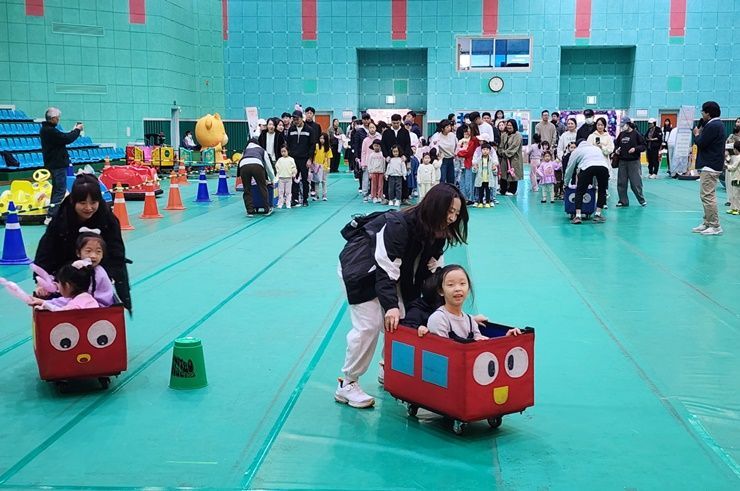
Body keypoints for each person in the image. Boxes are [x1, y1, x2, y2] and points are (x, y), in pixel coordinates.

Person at [334, 183, 469, 408]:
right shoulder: (399, 225)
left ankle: (389, 369)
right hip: (361, 269)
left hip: (393, 272)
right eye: (450, 212)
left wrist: (449, 313)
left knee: (405, 319)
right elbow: (385, 269)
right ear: (435, 207)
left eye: (456, 213)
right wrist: (391, 306)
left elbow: (428, 277)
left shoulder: (437, 234)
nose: (453, 218)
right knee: (370, 324)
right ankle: (347, 383)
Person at [34, 174, 132, 312]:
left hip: (96, 276)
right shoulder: (61, 220)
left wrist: (122, 291)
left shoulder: (108, 220)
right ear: (73, 201)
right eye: (83, 203)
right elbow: (46, 251)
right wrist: (42, 281)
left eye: (93, 203)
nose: (88, 208)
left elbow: (116, 254)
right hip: (65, 277)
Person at [417, 265, 521, 340]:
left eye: (462, 283)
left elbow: (481, 346)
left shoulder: (471, 321)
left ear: (469, 289)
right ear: (441, 291)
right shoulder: (438, 319)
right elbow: (443, 352)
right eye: (450, 284)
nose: (457, 289)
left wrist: (506, 339)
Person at [33, 231, 116, 309]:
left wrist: (46, 303)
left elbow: (77, 298)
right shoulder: (78, 268)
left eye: (98, 252)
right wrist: (50, 289)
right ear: (78, 253)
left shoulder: (98, 274)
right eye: (88, 251)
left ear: (103, 255)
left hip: (100, 309)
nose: (93, 256)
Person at [39, 107, 83, 218]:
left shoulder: (47, 130)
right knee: (60, 190)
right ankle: (52, 215)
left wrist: (74, 131)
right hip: (57, 164)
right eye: (57, 118)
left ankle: (53, 213)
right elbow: (66, 138)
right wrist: (77, 130)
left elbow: (64, 137)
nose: (58, 120)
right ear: (53, 118)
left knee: (57, 189)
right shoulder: (49, 131)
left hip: (55, 163)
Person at [692, 101, 727, 235]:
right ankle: (707, 222)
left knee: (708, 196)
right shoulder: (716, 125)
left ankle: (715, 225)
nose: (701, 114)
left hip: (710, 165)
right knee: (705, 195)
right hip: (711, 164)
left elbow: (701, 142)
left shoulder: (713, 125)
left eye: (703, 111)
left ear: (708, 113)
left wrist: (696, 134)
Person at [565, 140, 610, 224]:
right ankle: (598, 214)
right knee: (602, 190)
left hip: (587, 167)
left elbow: (570, 168)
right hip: (604, 168)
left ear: (578, 145)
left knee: (580, 191)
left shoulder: (577, 151)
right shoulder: (596, 148)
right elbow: (600, 162)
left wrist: (566, 183)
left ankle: (578, 216)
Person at [29, 260, 100, 311]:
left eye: (59, 283)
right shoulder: (87, 297)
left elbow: (61, 313)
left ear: (67, 285)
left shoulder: (75, 304)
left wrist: (46, 307)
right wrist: (43, 302)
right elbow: (59, 302)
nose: (58, 286)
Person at [614, 117, 647, 207]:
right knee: (621, 182)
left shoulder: (636, 134)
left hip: (634, 162)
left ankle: (641, 199)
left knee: (635, 182)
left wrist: (635, 149)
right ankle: (623, 201)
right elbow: (616, 144)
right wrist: (616, 150)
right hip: (622, 162)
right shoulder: (621, 134)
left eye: (623, 125)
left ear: (628, 124)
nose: (622, 127)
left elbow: (644, 146)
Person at [239, 137, 275, 217]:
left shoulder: (245, 151)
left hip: (243, 166)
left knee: (247, 188)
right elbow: (268, 166)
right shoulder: (262, 150)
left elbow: (240, 161)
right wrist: (272, 179)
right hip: (257, 165)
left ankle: (250, 210)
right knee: (262, 186)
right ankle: (266, 209)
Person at [286, 110, 315, 207]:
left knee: (305, 180)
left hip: (304, 159)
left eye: (297, 119)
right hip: (293, 159)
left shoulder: (309, 130)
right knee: (294, 179)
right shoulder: (291, 129)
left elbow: (312, 146)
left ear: (302, 118)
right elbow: (288, 144)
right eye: (294, 119)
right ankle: (294, 198)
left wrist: (310, 159)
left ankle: (305, 199)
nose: (295, 121)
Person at [498, 119, 523, 196]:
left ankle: (512, 190)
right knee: (503, 173)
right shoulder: (504, 135)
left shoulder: (518, 135)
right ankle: (503, 190)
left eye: (510, 125)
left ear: (514, 126)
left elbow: (514, 147)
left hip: (514, 157)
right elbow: (501, 145)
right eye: (508, 125)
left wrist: (505, 153)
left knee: (513, 174)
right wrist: (501, 152)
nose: (509, 127)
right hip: (504, 157)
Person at [472, 143, 497, 208]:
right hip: (481, 179)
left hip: (488, 179)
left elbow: (495, 171)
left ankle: (488, 202)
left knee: (488, 191)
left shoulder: (492, 160)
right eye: (483, 149)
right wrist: (474, 168)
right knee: (480, 191)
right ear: (481, 150)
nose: (485, 151)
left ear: (489, 151)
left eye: (487, 149)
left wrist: (494, 169)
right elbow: (474, 171)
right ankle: (480, 202)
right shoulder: (478, 160)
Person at [360, 122, 381, 200]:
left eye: (373, 127)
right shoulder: (365, 140)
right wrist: (363, 163)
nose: (372, 129)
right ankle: (365, 194)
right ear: (368, 129)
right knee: (366, 179)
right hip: (367, 163)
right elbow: (363, 152)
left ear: (376, 128)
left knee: (376, 180)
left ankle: (376, 194)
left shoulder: (380, 138)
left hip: (378, 163)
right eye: (370, 127)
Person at [435, 120, 458, 184]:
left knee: (451, 178)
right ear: (442, 128)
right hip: (443, 159)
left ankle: (451, 193)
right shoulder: (437, 136)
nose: (449, 128)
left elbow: (457, 145)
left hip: (451, 158)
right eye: (447, 127)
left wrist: (455, 153)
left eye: (450, 126)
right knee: (442, 178)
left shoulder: (452, 135)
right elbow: (434, 147)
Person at [724, 118, 740, 207]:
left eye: (739, 122)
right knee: (729, 179)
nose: (738, 123)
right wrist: (726, 157)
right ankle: (729, 199)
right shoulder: (731, 136)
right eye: (737, 122)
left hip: (739, 158)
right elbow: (726, 146)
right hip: (731, 158)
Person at [313, 133, 332, 201]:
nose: (321, 140)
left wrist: (328, 167)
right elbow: (314, 155)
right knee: (316, 181)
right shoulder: (316, 146)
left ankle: (324, 195)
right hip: (316, 167)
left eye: (323, 138)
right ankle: (316, 195)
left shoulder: (328, 148)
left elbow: (329, 158)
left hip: (324, 167)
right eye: (320, 138)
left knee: (324, 181)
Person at [726, 140, 740, 215]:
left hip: (737, 179)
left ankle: (737, 209)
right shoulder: (736, 157)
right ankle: (733, 208)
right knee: (733, 194)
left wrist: (726, 166)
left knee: (736, 195)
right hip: (734, 178)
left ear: (736, 149)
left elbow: (733, 167)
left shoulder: (738, 157)